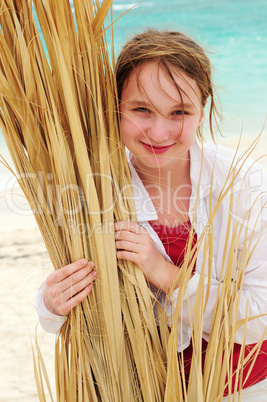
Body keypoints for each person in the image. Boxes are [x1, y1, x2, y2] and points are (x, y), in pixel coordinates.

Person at [35, 29, 267, 399]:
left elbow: (259, 321)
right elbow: (63, 306)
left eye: (179, 112)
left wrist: (162, 271)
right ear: (115, 108)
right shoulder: (94, 188)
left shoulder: (244, 184)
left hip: (244, 388)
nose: (159, 132)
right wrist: (51, 303)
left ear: (201, 112)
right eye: (142, 109)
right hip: (142, 391)